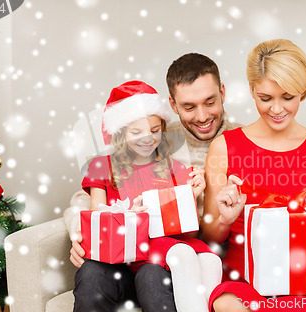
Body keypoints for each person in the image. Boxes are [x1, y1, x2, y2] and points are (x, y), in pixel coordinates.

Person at [68, 53, 306, 311]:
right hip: (136, 252)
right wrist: (81, 235)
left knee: (156, 276)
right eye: (189, 106)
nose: (202, 116)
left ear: (223, 93)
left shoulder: (245, 139)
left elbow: (301, 170)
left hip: (180, 261)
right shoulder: (154, 138)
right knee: (93, 273)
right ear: (172, 105)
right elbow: (99, 188)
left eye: (210, 102)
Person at [202, 39, 306, 312]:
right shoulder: (223, 147)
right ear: (252, 90)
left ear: (304, 92)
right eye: (266, 98)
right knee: (227, 303)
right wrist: (225, 219)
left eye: (287, 97)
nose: (276, 110)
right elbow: (210, 237)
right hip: (245, 279)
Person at [73, 80, 221, 312]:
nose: (147, 139)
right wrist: (128, 218)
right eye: (136, 132)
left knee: (170, 271)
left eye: (154, 131)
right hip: (119, 260)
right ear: (120, 132)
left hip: (157, 261)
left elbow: (187, 232)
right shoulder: (101, 167)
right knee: (92, 272)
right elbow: (97, 220)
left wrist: (190, 197)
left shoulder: (174, 169)